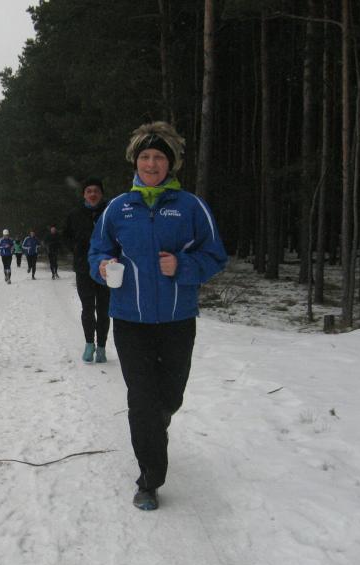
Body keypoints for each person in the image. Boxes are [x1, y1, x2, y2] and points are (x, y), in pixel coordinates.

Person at [88, 121, 227, 511]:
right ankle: (149, 478)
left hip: (177, 319)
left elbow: (215, 255)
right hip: (129, 320)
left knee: (170, 396)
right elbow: (97, 251)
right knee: (142, 400)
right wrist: (102, 267)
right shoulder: (117, 208)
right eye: (145, 157)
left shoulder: (191, 207)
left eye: (159, 158)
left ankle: (157, 421)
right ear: (135, 161)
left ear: (172, 163)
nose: (151, 164)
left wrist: (183, 266)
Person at [64, 177, 111, 363]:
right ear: (84, 194)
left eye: (96, 191)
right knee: (88, 308)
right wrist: (76, 250)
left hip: (105, 268)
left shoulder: (110, 211)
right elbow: (65, 236)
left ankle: (102, 347)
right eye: (89, 191)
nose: (93, 194)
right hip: (83, 268)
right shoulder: (75, 214)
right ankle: (89, 344)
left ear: (102, 194)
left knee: (104, 309)